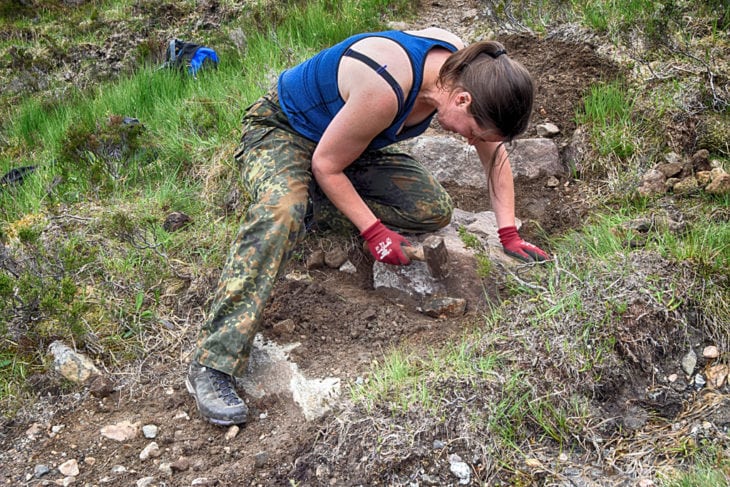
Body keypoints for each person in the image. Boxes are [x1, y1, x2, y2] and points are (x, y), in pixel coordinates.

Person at [186, 27, 549, 426]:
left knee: (430, 207)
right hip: (283, 130)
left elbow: (493, 156)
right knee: (283, 211)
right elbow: (326, 163)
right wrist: (373, 231)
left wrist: (508, 233)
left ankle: (311, 195)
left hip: (345, 142)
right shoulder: (386, 85)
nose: (469, 142)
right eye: (473, 132)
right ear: (462, 100)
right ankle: (212, 363)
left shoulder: (469, 71)